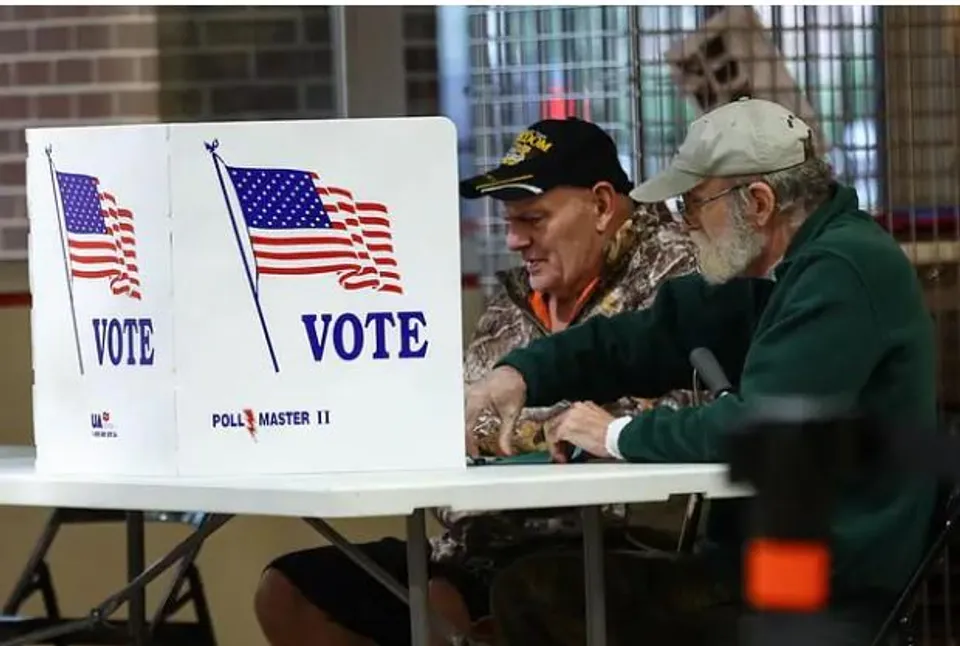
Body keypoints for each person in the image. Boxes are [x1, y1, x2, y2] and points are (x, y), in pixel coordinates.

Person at [465, 98, 938, 646]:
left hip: (824, 584)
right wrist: (521, 374)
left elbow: (760, 426)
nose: (682, 223)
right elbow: (642, 338)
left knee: (538, 591)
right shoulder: (780, 269)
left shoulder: (841, 271)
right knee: (556, 577)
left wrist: (614, 434)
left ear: (758, 203)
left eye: (691, 204)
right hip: (776, 562)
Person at [253, 117, 701, 646]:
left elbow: (660, 417)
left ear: (602, 206)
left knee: (487, 599)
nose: (514, 240)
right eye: (509, 221)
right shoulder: (516, 299)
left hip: (615, 547)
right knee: (291, 590)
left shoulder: (680, 274)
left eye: (533, 219)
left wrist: (513, 434)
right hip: (480, 544)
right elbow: (457, 422)